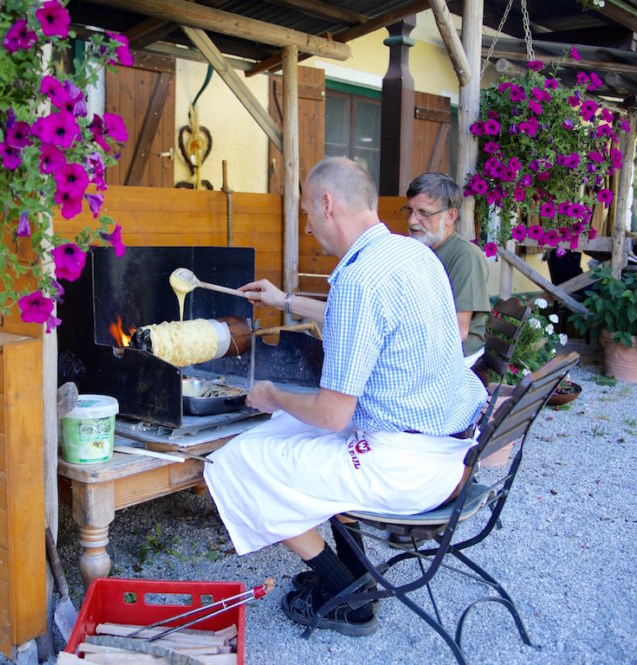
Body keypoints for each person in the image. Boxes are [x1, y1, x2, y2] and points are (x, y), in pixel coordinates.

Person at [202, 157, 486, 637]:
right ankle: (352, 572)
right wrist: (285, 301)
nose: (310, 229)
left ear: (328, 204)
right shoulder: (413, 254)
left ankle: (349, 596)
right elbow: (356, 315)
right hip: (453, 448)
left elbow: (334, 415)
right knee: (287, 433)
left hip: (407, 465)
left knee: (237, 462)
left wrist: (271, 393)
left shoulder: (358, 279)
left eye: (309, 215)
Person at [404, 172, 491, 382]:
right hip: (430, 352)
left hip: (458, 360)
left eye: (424, 213)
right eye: (410, 211)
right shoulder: (422, 250)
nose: (412, 221)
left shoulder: (465, 256)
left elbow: (458, 332)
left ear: (450, 216)